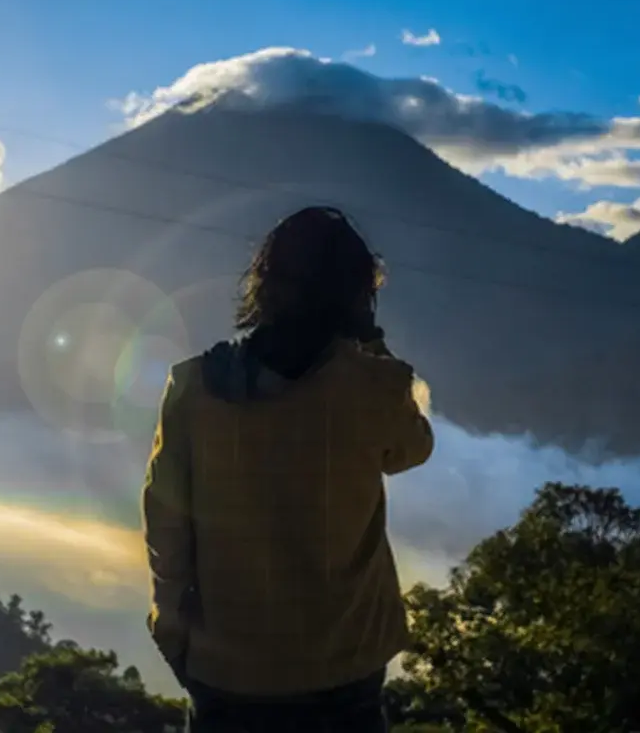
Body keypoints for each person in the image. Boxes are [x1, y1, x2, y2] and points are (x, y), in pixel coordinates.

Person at [141, 205, 435, 732]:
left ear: (266, 284)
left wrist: (174, 634)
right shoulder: (375, 388)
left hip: (227, 670)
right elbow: (413, 450)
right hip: (346, 665)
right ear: (356, 296)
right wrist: (371, 342)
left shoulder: (193, 388)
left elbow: (166, 526)